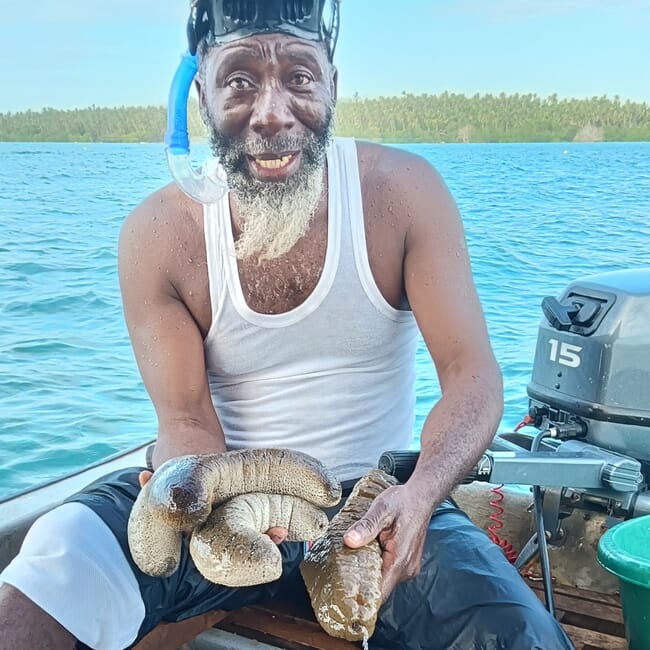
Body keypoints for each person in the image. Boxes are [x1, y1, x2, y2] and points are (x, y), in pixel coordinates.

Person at [0, 1, 574, 648]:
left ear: (333, 85)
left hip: (373, 500)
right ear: (201, 93)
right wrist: (195, 490)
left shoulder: (403, 194)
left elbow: (472, 377)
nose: (272, 112)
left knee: (516, 632)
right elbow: (186, 418)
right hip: (224, 497)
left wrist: (421, 495)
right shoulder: (160, 235)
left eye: (299, 77)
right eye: (240, 80)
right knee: (58, 555)